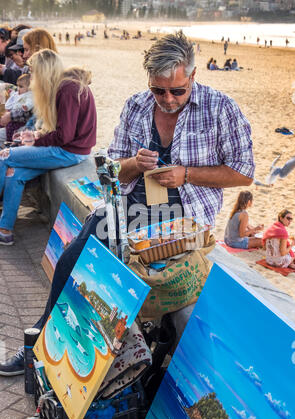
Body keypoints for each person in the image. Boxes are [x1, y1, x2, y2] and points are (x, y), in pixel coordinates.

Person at [0, 31, 255, 376]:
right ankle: (43, 345)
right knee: (75, 256)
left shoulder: (221, 108)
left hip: (183, 224)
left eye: (177, 90)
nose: (167, 99)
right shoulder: (137, 105)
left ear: (193, 76)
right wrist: (135, 162)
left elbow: (243, 173)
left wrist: (186, 174)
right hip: (130, 213)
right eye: (158, 90)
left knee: (171, 309)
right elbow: (113, 173)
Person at [0, 49, 96, 246]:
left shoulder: (68, 89)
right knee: (14, 173)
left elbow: (65, 136)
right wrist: (35, 135)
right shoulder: (66, 86)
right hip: (71, 150)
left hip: (69, 152)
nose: (32, 78)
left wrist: (35, 141)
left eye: (34, 72)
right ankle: (5, 230)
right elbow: (63, 131)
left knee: (5, 155)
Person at [0, 73, 33, 146]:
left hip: (19, 123)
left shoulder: (30, 95)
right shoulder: (18, 93)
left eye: (21, 86)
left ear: (30, 87)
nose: (18, 88)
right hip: (12, 117)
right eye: (18, 86)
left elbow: (30, 102)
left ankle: (9, 144)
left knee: (10, 131)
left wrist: (26, 106)